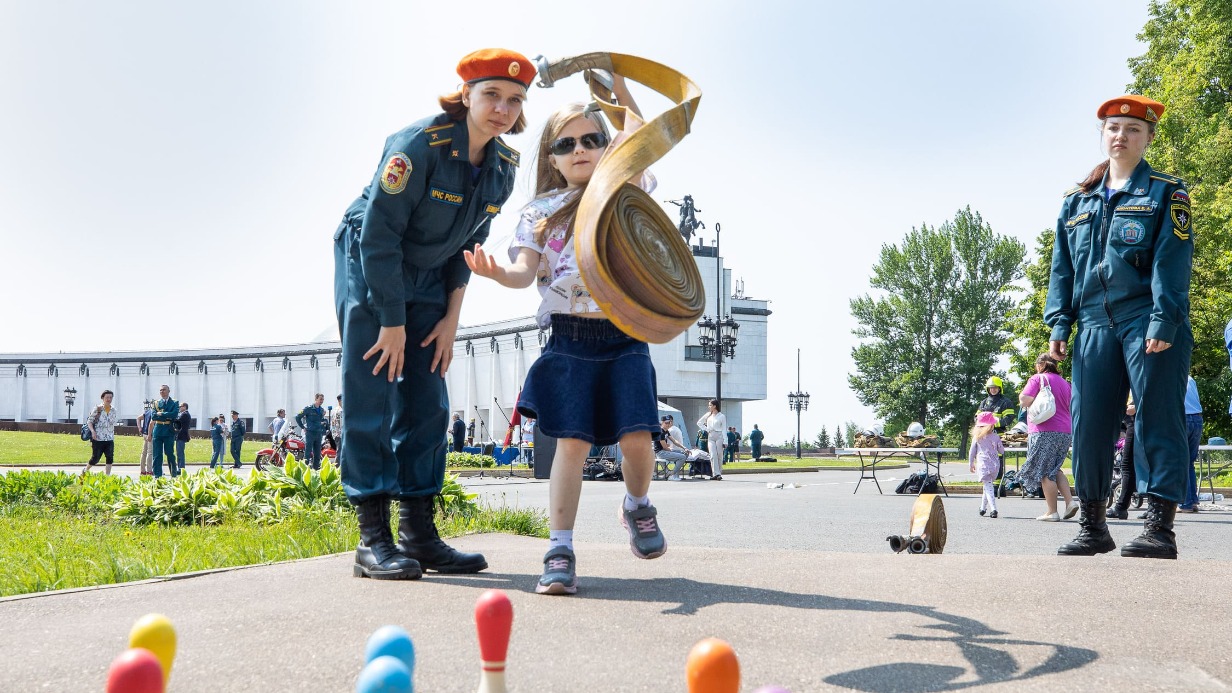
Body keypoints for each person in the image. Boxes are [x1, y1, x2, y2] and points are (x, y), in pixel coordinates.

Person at [333, 49, 534, 582]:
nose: (502, 109)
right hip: (372, 262)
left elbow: (468, 243)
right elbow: (378, 237)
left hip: (432, 275)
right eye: (491, 95)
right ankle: (372, 540)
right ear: (466, 95)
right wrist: (392, 321)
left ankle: (418, 534)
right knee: (375, 386)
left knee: (429, 399)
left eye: (514, 100)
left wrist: (451, 319)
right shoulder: (417, 147)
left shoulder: (503, 169)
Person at [464, 81, 667, 596]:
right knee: (571, 445)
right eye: (566, 144)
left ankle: (637, 505)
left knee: (637, 438)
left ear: (606, 147)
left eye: (591, 140)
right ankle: (559, 549)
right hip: (569, 336)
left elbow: (643, 138)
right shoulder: (540, 211)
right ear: (552, 158)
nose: (579, 150)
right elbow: (521, 271)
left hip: (623, 332)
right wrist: (496, 273)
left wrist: (618, 87)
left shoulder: (623, 189)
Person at [1045, 94, 1194, 559]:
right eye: (1113, 128)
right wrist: (1059, 323)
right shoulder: (1078, 201)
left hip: (1146, 318)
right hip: (1091, 324)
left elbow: (1172, 263)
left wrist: (1163, 319)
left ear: (1148, 137)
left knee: (1156, 418)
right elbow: (1062, 269)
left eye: (1132, 129)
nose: (1121, 136)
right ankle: (1093, 525)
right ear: (1102, 135)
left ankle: (1159, 529)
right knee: (1088, 423)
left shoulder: (1167, 193)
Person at [1018, 353, 1079, 524]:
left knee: (1045, 471)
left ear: (1040, 365)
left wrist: (1024, 399)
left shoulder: (1037, 379)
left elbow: (1024, 400)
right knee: (1055, 468)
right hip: (1065, 431)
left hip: (1044, 430)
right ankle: (1070, 502)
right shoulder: (1066, 383)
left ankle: (1052, 511)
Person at [1108, 395, 1138, 519]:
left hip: (1135, 422)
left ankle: (1121, 507)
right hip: (1133, 422)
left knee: (1127, 465)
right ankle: (1154, 506)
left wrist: (1136, 406)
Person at [968, 411, 1003, 518]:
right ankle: (983, 508)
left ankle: (993, 509)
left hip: (983, 465)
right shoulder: (996, 437)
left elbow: (972, 452)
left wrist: (971, 463)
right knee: (987, 486)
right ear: (991, 425)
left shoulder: (977, 437)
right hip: (995, 466)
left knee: (988, 486)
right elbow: (1002, 451)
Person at [1180, 376, 1203, 513]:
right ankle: (1193, 501)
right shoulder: (1190, 379)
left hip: (1183, 417)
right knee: (1189, 463)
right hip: (1197, 418)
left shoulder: (1172, 376)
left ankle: (1185, 503)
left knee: (1181, 462)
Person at [82, 390, 119, 476]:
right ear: (103, 398)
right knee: (95, 458)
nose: (109, 399)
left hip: (109, 437)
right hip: (98, 437)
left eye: (110, 397)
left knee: (110, 457)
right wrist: (93, 431)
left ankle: (107, 476)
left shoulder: (113, 410)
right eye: (107, 397)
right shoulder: (98, 409)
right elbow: (89, 421)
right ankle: (85, 470)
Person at [149, 385, 178, 478]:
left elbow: (174, 414)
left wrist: (161, 414)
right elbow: (153, 416)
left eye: (164, 390)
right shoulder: (156, 403)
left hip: (169, 430)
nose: (162, 391)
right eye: (160, 390)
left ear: (169, 391)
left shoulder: (174, 402)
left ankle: (173, 473)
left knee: (169, 453)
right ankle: (157, 475)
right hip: (158, 429)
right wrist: (166, 415)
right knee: (157, 454)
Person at [296, 393, 328, 470]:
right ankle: (304, 470)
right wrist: (303, 427)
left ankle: (315, 470)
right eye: (320, 399)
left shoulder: (322, 410)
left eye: (323, 399)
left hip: (318, 433)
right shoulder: (308, 409)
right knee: (307, 453)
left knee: (317, 454)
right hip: (310, 433)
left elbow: (319, 421)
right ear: (316, 399)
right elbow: (298, 417)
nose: (322, 401)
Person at [697, 399, 728, 480]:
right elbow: (699, 422)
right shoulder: (708, 415)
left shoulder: (722, 416)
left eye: (710, 405)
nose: (709, 407)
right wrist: (707, 429)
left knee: (719, 455)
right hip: (710, 436)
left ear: (715, 406)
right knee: (712, 455)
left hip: (719, 435)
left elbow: (724, 429)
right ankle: (716, 474)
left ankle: (719, 473)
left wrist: (725, 441)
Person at [658, 416, 688, 481]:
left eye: (669, 422)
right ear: (662, 422)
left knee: (685, 453)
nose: (668, 424)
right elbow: (664, 447)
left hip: (665, 450)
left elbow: (674, 441)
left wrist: (684, 448)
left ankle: (674, 475)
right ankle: (672, 474)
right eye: (666, 423)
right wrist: (671, 449)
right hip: (661, 453)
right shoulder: (661, 432)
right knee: (682, 457)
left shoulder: (666, 431)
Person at [174, 402, 192, 475]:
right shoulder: (185, 414)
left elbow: (177, 422)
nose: (179, 408)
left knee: (180, 453)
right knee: (179, 453)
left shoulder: (185, 414)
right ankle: (180, 468)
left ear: (184, 407)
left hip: (181, 436)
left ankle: (181, 469)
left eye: (180, 406)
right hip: (181, 436)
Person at [138, 401, 154, 476]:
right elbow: (151, 424)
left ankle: (142, 470)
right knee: (150, 452)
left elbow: (138, 418)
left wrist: (140, 428)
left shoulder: (147, 412)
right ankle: (149, 470)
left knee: (144, 452)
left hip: (144, 433)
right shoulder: (154, 413)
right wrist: (150, 434)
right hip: (150, 434)